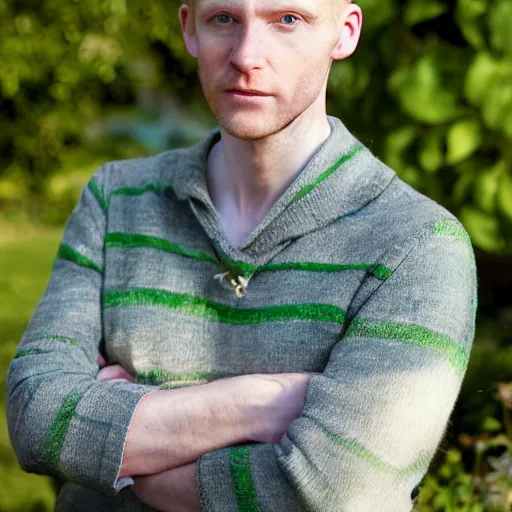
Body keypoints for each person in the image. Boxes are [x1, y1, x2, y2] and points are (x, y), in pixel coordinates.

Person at [7, 0, 477, 510]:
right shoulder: (117, 200)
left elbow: (334, 491)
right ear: (189, 28)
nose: (247, 55)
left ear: (344, 33)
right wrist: (253, 406)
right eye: (225, 19)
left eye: (288, 20)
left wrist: (125, 450)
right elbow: (36, 418)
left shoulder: (418, 244)